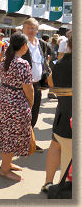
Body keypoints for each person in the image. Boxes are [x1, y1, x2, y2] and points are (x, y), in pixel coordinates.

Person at [0, 33, 34, 182]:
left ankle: (6, 164)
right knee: (11, 137)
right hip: (16, 104)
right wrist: (30, 104)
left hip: (3, 101)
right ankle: (5, 170)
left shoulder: (5, 61)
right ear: (23, 46)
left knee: (5, 134)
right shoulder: (22, 63)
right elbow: (29, 89)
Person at [42, 32, 72, 192]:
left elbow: (50, 82)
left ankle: (48, 182)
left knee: (55, 145)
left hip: (62, 112)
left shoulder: (60, 63)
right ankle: (63, 189)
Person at [21, 17, 50, 153]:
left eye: (34, 28)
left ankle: (29, 141)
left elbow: (45, 60)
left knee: (34, 114)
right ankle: (20, 143)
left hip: (37, 85)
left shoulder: (41, 43)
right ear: (23, 29)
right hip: (22, 85)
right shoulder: (19, 43)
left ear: (37, 30)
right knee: (22, 115)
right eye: (29, 28)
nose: (31, 30)